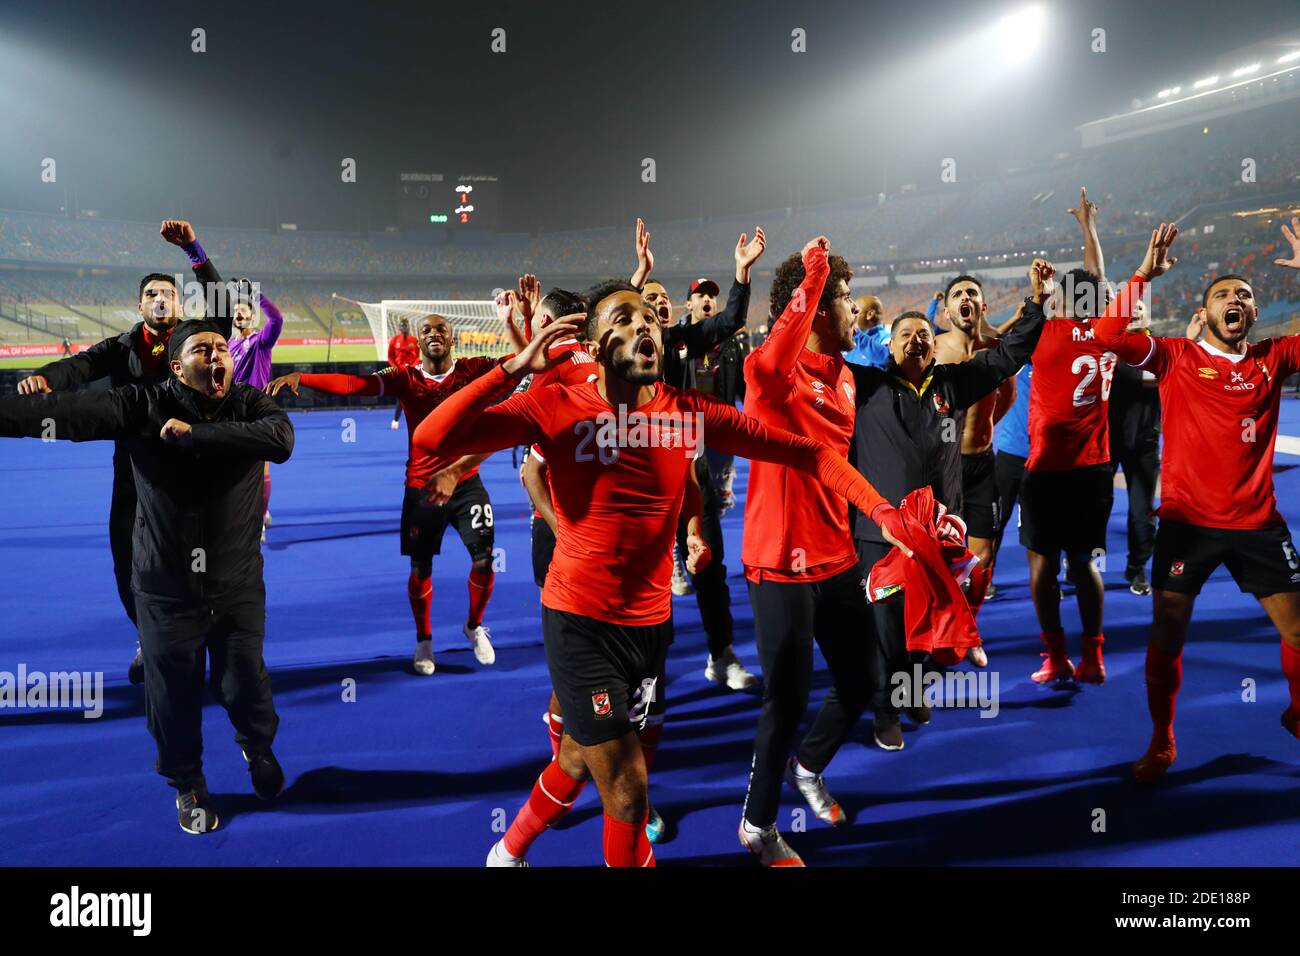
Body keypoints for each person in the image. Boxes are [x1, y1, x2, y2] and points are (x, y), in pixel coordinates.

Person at [409, 280, 906, 868]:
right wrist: (514, 366)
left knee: (574, 758)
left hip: (649, 627)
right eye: (625, 317)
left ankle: (509, 849)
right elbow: (430, 440)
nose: (647, 326)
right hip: (578, 622)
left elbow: (810, 453)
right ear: (594, 345)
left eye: (651, 317)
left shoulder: (686, 414)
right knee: (627, 786)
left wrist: (884, 513)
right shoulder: (554, 405)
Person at [0, 320, 293, 833]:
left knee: (245, 683)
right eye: (204, 349)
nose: (219, 355)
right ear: (177, 367)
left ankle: (257, 746)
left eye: (223, 348)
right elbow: (62, 414)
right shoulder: (142, 404)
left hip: (237, 586)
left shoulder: (250, 403)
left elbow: (280, 438)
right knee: (170, 697)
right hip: (165, 590)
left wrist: (195, 436)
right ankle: (188, 784)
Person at [1092, 220, 1300, 783]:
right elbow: (1109, 337)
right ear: (1205, 313)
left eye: (1245, 296)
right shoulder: (1175, 356)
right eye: (1222, 296)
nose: (1236, 300)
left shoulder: (1272, 357)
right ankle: (1162, 741)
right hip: (1188, 525)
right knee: (1167, 636)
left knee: (1299, 632)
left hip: (1258, 523)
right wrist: (1143, 274)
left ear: (1255, 314)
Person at [739, 237, 912, 866]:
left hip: (835, 555)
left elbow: (834, 467)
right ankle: (757, 825)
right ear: (811, 310)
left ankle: (807, 766)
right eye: (843, 298)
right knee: (785, 696)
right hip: (779, 561)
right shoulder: (772, 375)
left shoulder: (842, 376)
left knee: (864, 679)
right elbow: (763, 368)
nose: (855, 308)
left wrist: (886, 516)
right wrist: (811, 280)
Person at [16, 220, 231, 685]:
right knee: (127, 557)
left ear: (179, 303)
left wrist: (194, 249)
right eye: (151, 294)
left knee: (199, 557)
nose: (160, 300)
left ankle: (207, 642)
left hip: (191, 465)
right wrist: (48, 377)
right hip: (134, 469)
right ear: (139, 305)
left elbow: (224, 309)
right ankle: (148, 639)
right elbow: (81, 365)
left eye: (167, 294)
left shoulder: (193, 339)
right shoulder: (122, 347)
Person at [849, 261, 1050, 749]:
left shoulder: (952, 384)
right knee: (887, 627)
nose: (916, 340)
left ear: (932, 345)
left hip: (939, 529)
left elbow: (1007, 357)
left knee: (931, 620)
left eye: (923, 333)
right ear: (889, 347)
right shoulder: (865, 387)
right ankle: (884, 712)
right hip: (882, 533)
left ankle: (913, 692)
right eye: (906, 335)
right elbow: (814, 360)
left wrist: (1037, 304)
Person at [267, 314, 499, 675]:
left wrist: (528, 323)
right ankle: (424, 639)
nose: (433, 334)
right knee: (421, 567)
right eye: (426, 330)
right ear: (417, 341)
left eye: (441, 329)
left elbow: (522, 362)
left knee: (485, 560)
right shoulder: (405, 377)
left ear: (452, 339)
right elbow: (353, 384)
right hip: (422, 486)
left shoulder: (474, 369)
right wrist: (303, 377)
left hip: (467, 481)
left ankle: (473, 626)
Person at [634, 218, 765, 689]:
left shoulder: (683, 344)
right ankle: (645, 668)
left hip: (691, 473)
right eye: (649, 302)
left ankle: (721, 653)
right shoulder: (625, 356)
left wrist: (741, 273)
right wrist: (640, 277)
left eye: (662, 301)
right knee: (640, 573)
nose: (659, 304)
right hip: (636, 479)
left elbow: (730, 321)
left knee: (709, 563)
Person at [1020, 186, 1117, 685]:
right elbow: (1097, 278)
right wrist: (1088, 228)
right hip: (1094, 469)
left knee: (1042, 566)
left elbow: (1000, 338)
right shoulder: (1108, 331)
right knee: (1085, 565)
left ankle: (1055, 655)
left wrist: (1038, 297)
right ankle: (1094, 657)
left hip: (1045, 470)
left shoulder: (1044, 330)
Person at [934, 279, 1020, 666]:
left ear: (984, 305)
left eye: (972, 293)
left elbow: (1009, 395)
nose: (965, 298)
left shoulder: (996, 352)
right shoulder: (932, 349)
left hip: (983, 463)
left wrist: (982, 429)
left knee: (982, 558)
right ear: (947, 311)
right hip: (942, 468)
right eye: (957, 295)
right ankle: (935, 630)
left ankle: (968, 632)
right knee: (937, 556)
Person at [1106, 296, 1161, 596]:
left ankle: (1137, 568)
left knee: (1142, 513)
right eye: (1129, 310)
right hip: (1108, 442)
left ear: (1147, 317)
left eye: (1140, 309)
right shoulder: (1109, 351)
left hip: (1144, 445)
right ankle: (1083, 565)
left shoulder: (1158, 350)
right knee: (1096, 509)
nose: (1135, 313)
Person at [230, 279, 286, 542]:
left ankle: (260, 520)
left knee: (261, 468)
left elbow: (277, 320)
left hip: (257, 411)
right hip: (232, 411)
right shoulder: (228, 346)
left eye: (244, 310)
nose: (239, 314)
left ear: (252, 317)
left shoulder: (261, 342)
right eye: (236, 311)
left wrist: (257, 294)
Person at [388, 316, 419, 430]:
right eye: (402, 326)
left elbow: (417, 356)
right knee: (402, 397)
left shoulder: (414, 340)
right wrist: (396, 368)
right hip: (400, 373)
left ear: (409, 327)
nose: (404, 328)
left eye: (406, 326)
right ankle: (396, 420)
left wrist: (413, 366)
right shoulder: (394, 340)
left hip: (412, 372)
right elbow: (390, 357)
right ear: (399, 327)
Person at [843, 294, 890, 368]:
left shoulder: (886, 338)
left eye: (856, 312)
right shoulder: (850, 339)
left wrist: (855, 333)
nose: (853, 316)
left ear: (870, 314)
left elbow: (887, 359)